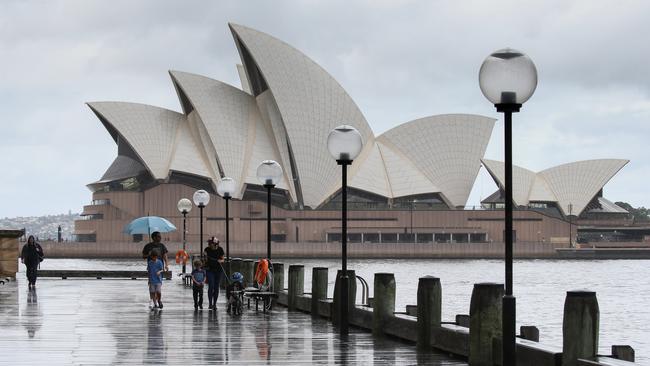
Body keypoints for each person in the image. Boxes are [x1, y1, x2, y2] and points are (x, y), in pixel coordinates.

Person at [204, 237, 225, 310]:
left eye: (210, 243)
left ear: (215, 244)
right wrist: (205, 258)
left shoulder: (220, 249)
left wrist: (220, 261)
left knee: (216, 287)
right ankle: (210, 304)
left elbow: (223, 259)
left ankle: (214, 304)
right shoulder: (207, 249)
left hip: (218, 270)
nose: (209, 244)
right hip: (210, 270)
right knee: (211, 285)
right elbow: (205, 259)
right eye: (209, 243)